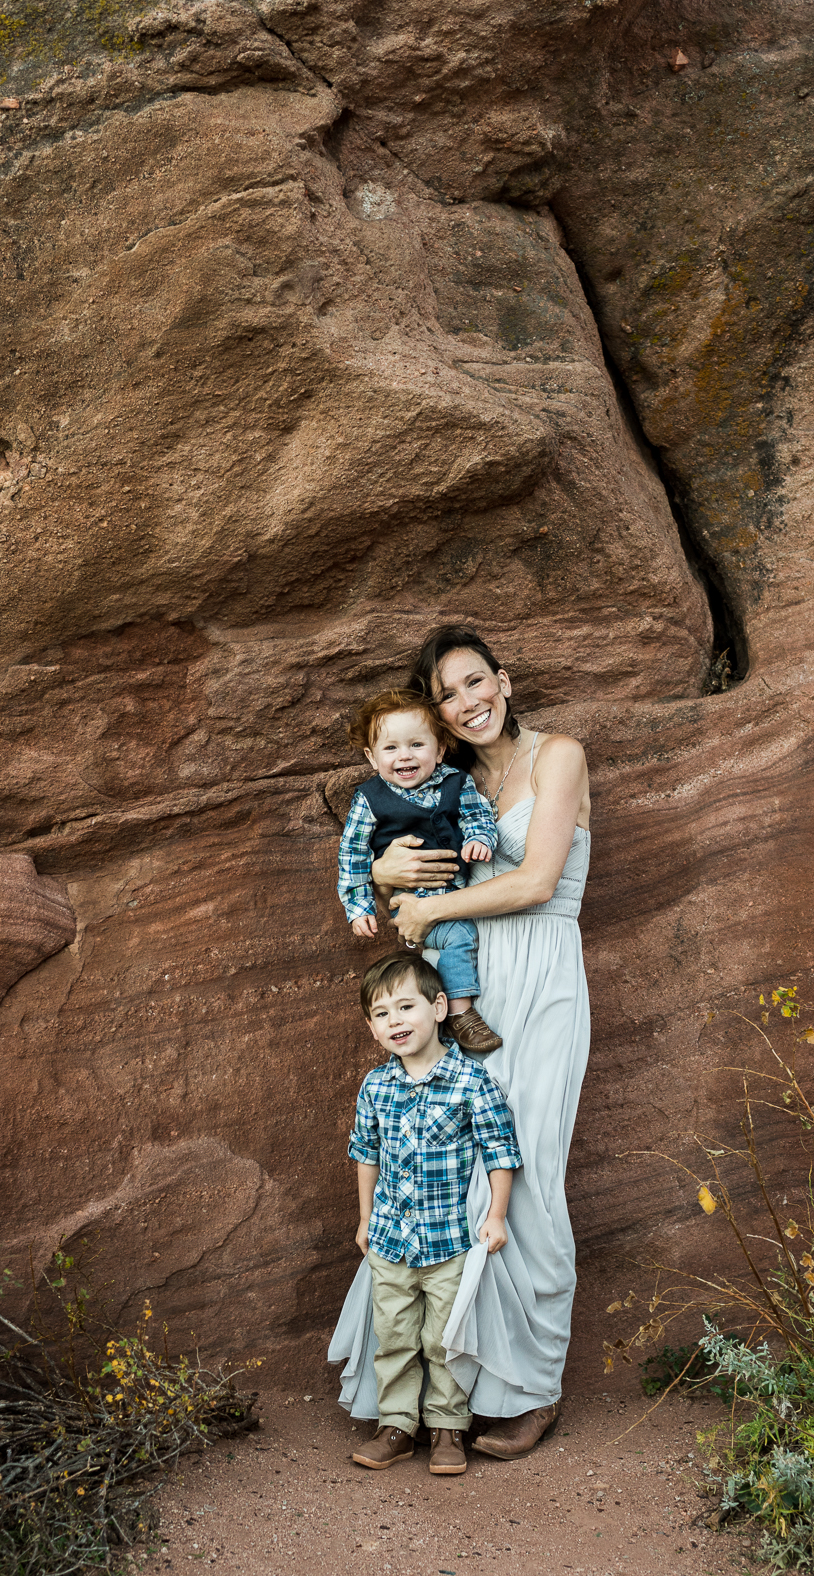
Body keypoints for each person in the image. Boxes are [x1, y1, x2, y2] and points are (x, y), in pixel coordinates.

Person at [370, 625, 591, 1460]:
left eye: (475, 683)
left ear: (504, 678)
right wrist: (391, 881)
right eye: (448, 696)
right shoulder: (448, 779)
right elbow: (385, 857)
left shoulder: (558, 756)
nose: (467, 703)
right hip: (463, 985)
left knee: (527, 1170)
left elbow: (535, 881)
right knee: (458, 1173)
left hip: (542, 974)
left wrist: (431, 910)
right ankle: (460, 1392)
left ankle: (536, 1389)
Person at [348, 951, 521, 1475]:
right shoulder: (376, 1087)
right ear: (372, 1028)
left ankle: (448, 1427)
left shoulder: (472, 1081)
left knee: (445, 1338)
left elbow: (500, 1150)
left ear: (440, 1007)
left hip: (450, 1241)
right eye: (382, 1013)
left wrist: (496, 1215)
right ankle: (397, 1424)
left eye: (406, 1006)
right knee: (395, 1334)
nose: (395, 1021)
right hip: (390, 1240)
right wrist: (363, 1219)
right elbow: (365, 1153)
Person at [337, 688, 501, 1054]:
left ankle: (437, 1019)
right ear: (371, 756)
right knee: (458, 936)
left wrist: (479, 837)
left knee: (448, 949)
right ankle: (462, 1015)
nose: (404, 756)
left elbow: (478, 814)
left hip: (456, 893)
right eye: (390, 748)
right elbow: (352, 854)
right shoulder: (369, 798)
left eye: (416, 745)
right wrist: (359, 906)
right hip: (411, 901)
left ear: (440, 749)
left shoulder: (456, 782)